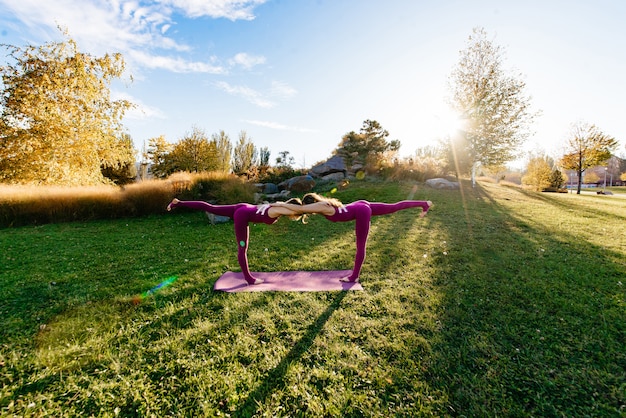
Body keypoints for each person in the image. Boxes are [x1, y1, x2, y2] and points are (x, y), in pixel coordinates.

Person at [266, 193, 432, 283]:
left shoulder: (322, 206)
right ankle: (424, 203)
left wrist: (279, 205)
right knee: (394, 207)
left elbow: (300, 210)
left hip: (361, 211)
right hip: (360, 205)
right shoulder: (326, 204)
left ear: (311, 203)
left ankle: (354, 276)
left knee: (361, 244)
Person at [167, 198, 303, 285]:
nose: (294, 217)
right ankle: (249, 279)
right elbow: (298, 209)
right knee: (242, 248)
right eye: (295, 215)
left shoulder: (278, 205)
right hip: (242, 215)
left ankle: (179, 203)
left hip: (242, 207)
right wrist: (314, 209)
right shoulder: (279, 209)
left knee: (211, 208)